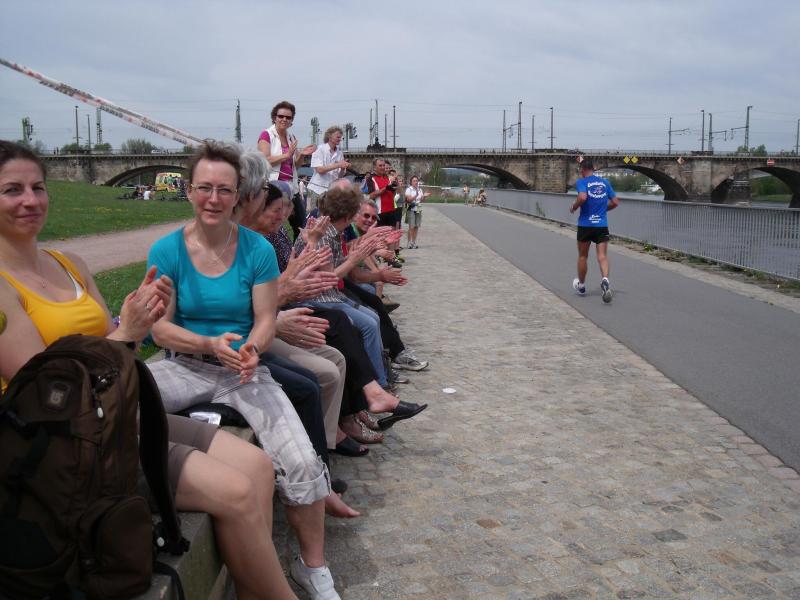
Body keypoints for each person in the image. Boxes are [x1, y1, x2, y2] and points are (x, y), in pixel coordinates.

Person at [0, 140, 298, 600]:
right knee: (236, 491)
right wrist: (129, 332)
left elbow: (117, 348)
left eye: (37, 187)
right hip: (65, 447)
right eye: (12, 190)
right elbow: (47, 392)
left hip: (116, 415)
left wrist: (136, 327)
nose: (30, 200)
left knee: (259, 466)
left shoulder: (68, 264)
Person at [145, 141, 341, 599]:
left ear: (238, 195)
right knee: (120, 401)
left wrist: (253, 348)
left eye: (224, 190)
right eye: (204, 188)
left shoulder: (256, 250)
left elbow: (266, 317)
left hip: (244, 371)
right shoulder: (167, 250)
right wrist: (208, 343)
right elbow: (160, 329)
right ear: (189, 191)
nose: (213, 199)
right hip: (186, 365)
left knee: (302, 460)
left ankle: (312, 567)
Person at [257, 101, 316, 239]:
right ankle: (271, 250)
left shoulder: (291, 138)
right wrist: (287, 155)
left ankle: (298, 250)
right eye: (281, 116)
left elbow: (295, 165)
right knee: (271, 224)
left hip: (292, 187)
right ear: (274, 117)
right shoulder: (266, 135)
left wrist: (302, 155)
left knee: (301, 225)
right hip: (274, 187)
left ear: (291, 121)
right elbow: (264, 160)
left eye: (288, 117)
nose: (284, 119)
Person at [570, 159, 619, 303]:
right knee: (602, 256)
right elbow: (615, 202)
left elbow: (582, 197)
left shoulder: (582, 182)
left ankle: (581, 286)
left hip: (585, 224)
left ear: (582, 169)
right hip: (601, 225)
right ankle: (605, 280)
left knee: (583, 256)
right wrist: (604, 209)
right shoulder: (605, 183)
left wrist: (574, 206)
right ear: (593, 168)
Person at [307, 126, 350, 212]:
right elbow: (320, 170)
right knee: (313, 214)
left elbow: (339, 177)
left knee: (329, 215)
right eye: (337, 136)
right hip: (316, 189)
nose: (340, 139)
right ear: (330, 136)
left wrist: (342, 168)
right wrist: (338, 165)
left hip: (331, 191)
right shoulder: (320, 149)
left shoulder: (340, 153)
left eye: (340, 137)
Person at [405, 175, 430, 249]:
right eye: (414, 181)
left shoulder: (420, 189)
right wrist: (415, 195)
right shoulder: (409, 189)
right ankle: (409, 242)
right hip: (411, 209)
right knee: (411, 226)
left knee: (416, 226)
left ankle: (413, 242)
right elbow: (408, 199)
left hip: (418, 209)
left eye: (417, 181)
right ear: (411, 182)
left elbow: (422, 200)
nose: (416, 182)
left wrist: (424, 196)